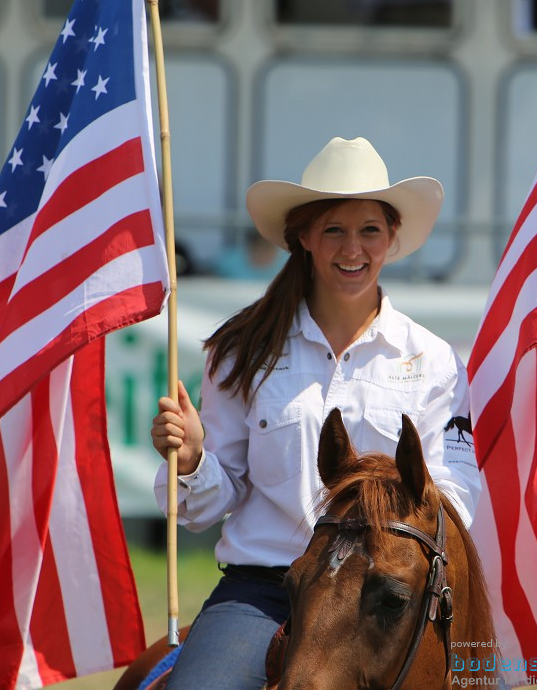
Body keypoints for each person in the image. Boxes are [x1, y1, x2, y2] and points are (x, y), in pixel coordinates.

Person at [148, 136, 480, 690]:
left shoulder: (435, 361)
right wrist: (193, 460)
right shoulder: (240, 351)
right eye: (334, 230)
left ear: (392, 238)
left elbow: (457, 490)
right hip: (262, 593)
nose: (353, 248)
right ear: (303, 237)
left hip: (386, 594)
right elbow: (207, 505)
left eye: (370, 230)